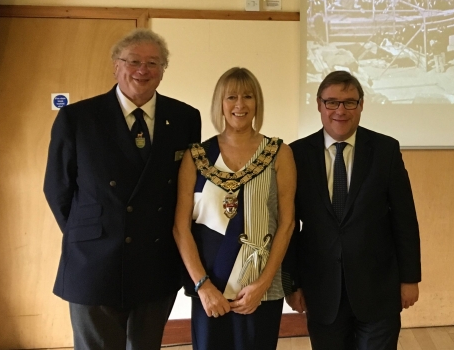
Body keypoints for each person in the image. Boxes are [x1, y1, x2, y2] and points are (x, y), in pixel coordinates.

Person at [44, 28, 202, 350]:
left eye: (153, 63)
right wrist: (89, 231)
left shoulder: (185, 117)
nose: (143, 70)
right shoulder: (78, 117)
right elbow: (57, 187)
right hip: (94, 259)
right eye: (133, 61)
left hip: (156, 259)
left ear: (163, 70)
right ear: (116, 66)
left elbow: (190, 187)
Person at [283, 71, 421, 350]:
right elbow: (289, 225)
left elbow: (404, 218)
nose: (340, 111)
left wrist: (410, 278)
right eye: (332, 102)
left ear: (361, 105)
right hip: (321, 291)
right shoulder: (296, 154)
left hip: (378, 289)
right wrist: (292, 283)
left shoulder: (385, 150)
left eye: (349, 102)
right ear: (319, 104)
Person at [173, 67, 296, 350]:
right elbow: (181, 228)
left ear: (257, 103)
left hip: (260, 290)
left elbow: (287, 224)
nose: (240, 105)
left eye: (248, 97)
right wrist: (203, 286)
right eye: (231, 97)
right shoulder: (197, 156)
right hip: (210, 288)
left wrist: (263, 284)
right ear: (220, 103)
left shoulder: (279, 152)